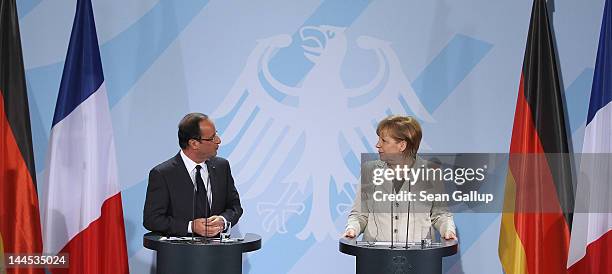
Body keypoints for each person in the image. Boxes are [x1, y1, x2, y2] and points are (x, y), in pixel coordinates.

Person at [344, 115, 457, 242]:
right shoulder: (369, 171)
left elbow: (440, 214)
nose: (377, 145)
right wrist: (352, 228)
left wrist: (448, 230)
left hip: (419, 257)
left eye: (384, 141)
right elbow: (360, 214)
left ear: (402, 145)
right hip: (375, 256)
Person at [143, 113, 243, 236]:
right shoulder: (163, 174)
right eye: (212, 138)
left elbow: (235, 207)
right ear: (194, 143)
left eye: (216, 134)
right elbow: (152, 220)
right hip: (181, 253)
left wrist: (223, 220)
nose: (218, 140)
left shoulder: (222, 166)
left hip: (219, 252)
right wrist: (190, 226)